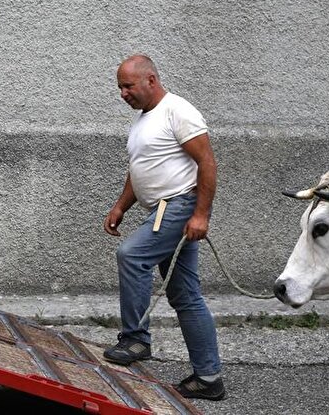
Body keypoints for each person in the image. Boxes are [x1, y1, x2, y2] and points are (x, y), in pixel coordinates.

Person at [102, 54, 225, 401]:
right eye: (120, 87)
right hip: (159, 209)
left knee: (131, 255)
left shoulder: (178, 111)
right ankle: (209, 377)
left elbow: (207, 162)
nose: (123, 93)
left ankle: (136, 339)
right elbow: (140, 168)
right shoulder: (144, 120)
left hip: (178, 206)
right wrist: (120, 205)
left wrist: (201, 215)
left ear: (151, 81)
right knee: (185, 295)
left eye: (128, 86)